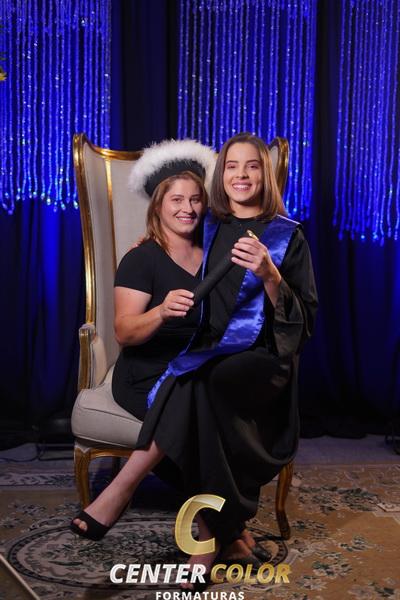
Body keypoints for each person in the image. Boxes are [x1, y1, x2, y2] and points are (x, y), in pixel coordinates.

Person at [71, 133, 318, 589]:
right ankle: (220, 533)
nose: (241, 175)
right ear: (220, 177)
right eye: (232, 166)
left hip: (263, 360)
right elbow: (167, 244)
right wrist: (154, 257)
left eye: (252, 166)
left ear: (266, 174)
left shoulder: (288, 235)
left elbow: (303, 324)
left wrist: (269, 273)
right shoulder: (211, 228)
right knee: (198, 383)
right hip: (210, 358)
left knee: (196, 378)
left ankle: (126, 491)